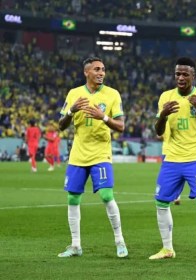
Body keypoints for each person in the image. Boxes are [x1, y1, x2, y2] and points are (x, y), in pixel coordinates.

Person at [57, 57, 128, 258]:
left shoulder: (112, 94)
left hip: (100, 153)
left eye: (103, 69)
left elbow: (121, 126)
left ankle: (119, 241)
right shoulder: (74, 94)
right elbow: (61, 125)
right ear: (86, 72)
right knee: (72, 197)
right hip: (78, 154)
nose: (101, 73)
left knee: (106, 195)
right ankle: (76, 245)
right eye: (97, 69)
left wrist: (103, 117)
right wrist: (71, 111)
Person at [150, 57, 196, 262]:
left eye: (185, 74)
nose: (180, 77)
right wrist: (162, 115)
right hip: (171, 158)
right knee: (161, 202)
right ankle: (167, 248)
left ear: (193, 76)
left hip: (195, 158)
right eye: (177, 74)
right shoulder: (166, 97)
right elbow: (158, 131)